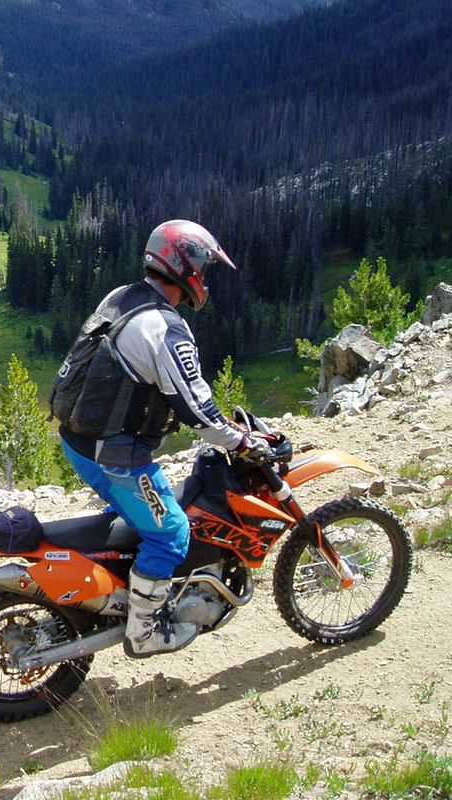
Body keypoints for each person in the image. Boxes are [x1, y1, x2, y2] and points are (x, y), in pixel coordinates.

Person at [54, 219, 272, 657]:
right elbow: (197, 412)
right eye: (203, 269)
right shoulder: (165, 328)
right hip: (114, 456)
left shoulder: (123, 296)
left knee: (145, 517)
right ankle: (144, 630)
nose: (204, 278)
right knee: (171, 533)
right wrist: (244, 442)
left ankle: (122, 587)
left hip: (77, 441)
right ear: (186, 267)